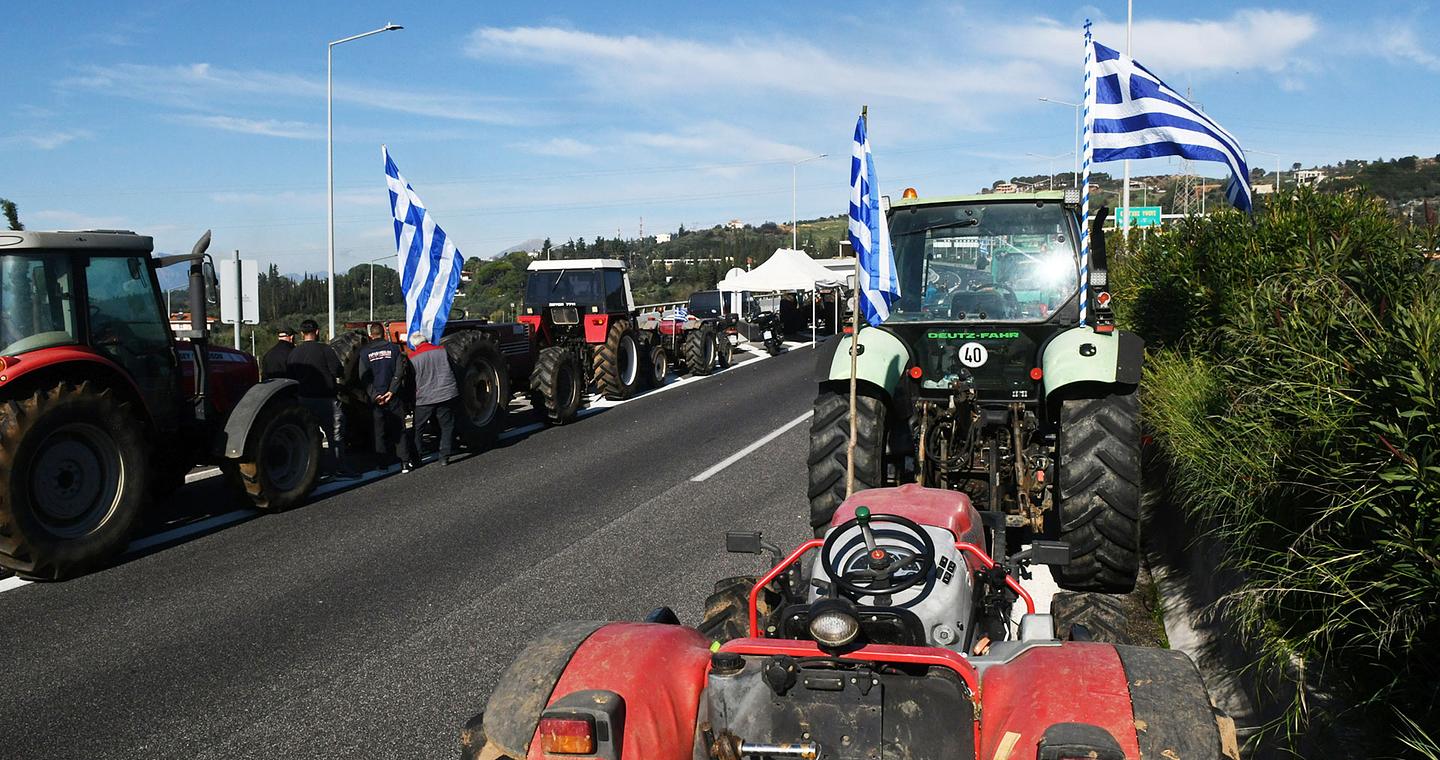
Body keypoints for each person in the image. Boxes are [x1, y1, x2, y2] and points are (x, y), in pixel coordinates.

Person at [287, 319, 353, 476]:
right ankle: (339, 467)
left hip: (303, 399)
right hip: (326, 399)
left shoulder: (294, 353)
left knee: (310, 437)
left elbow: (290, 376)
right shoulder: (325, 350)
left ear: (302, 333)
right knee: (335, 435)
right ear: (317, 332)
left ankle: (313, 471)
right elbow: (337, 370)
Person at [358, 323, 417, 472]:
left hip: (377, 398)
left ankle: (382, 464)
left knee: (379, 431)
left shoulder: (365, 353)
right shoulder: (394, 349)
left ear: (371, 335)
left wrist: (375, 395)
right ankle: (404, 462)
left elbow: (363, 377)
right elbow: (399, 372)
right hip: (394, 397)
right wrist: (392, 391)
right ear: (384, 332)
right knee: (399, 429)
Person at [408, 335, 459, 466]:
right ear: (426, 341)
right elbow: (453, 368)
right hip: (445, 393)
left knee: (418, 428)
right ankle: (444, 457)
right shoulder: (442, 351)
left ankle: (417, 458)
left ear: (415, 345)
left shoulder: (413, 357)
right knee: (446, 426)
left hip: (424, 398)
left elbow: (410, 380)